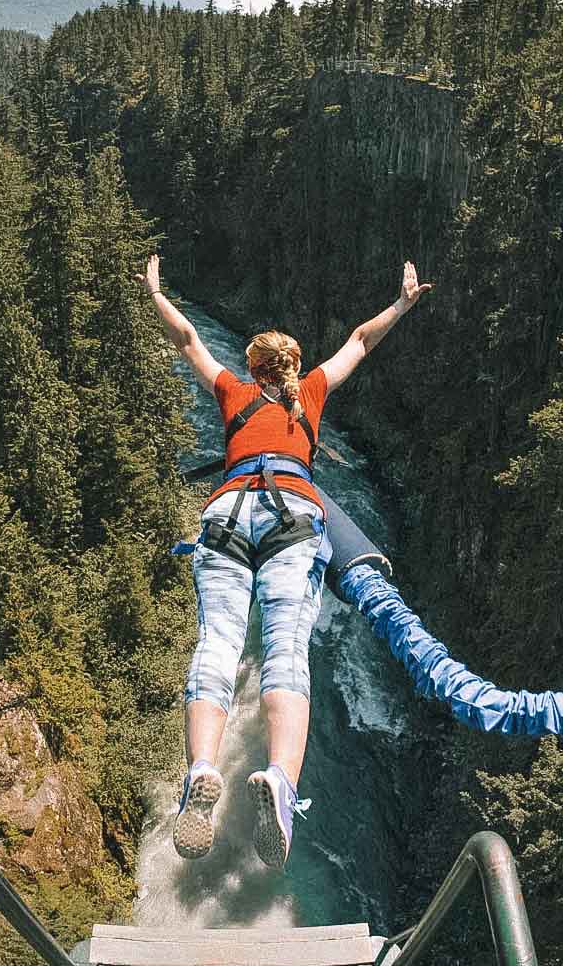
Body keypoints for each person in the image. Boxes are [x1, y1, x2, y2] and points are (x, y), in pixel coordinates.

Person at [137, 254, 431, 869]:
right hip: (295, 517)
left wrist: (157, 292)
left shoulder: (232, 392)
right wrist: (402, 303)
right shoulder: (313, 395)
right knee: (286, 654)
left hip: (227, 512)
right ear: (293, 369)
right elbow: (358, 341)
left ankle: (200, 775)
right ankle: (279, 780)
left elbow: (187, 336)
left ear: (253, 367)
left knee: (216, 646)